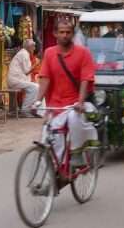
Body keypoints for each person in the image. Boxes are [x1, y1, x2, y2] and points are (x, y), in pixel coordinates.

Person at [33, 19, 98, 168]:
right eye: (61, 32)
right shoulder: (49, 53)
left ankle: (77, 153)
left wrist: (80, 102)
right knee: (49, 139)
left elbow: (85, 79)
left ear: (73, 34)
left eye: (68, 32)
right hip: (55, 106)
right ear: (55, 33)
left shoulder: (83, 53)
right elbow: (45, 78)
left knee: (74, 118)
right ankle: (51, 175)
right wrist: (37, 101)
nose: (64, 35)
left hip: (77, 104)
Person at [7, 39, 40, 117]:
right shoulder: (24, 54)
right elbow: (27, 71)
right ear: (29, 47)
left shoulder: (24, 53)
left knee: (35, 86)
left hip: (16, 80)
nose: (34, 49)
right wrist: (36, 64)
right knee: (35, 87)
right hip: (15, 81)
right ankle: (25, 110)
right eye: (33, 47)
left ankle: (30, 109)